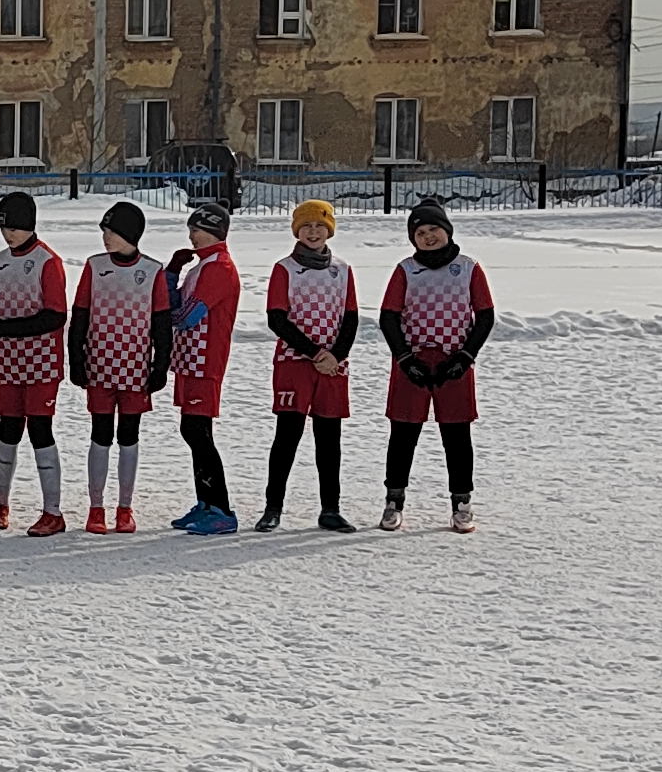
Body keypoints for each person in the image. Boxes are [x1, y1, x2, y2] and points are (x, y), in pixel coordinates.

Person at [378, 200, 496, 533]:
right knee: (403, 434)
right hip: (413, 362)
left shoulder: (468, 268)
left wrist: (465, 357)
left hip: (454, 362)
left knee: (457, 436)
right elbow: (389, 316)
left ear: (447, 231)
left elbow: (485, 316)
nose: (428, 237)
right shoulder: (405, 270)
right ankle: (393, 500)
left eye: (433, 230)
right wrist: (404, 359)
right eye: (420, 233)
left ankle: (462, 503)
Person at [0, 191, 70, 536]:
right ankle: (0, 502)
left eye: (15, 229)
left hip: (41, 363)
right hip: (8, 362)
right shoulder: (1, 262)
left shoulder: (48, 262)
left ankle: (53, 511)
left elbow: (54, 317)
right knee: (7, 429)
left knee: (39, 429)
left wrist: (1, 328)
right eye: (3, 228)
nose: (8, 235)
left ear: (30, 226)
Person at [64, 199, 175, 535]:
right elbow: (80, 315)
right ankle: (96, 507)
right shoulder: (94, 267)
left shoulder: (153, 271)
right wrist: (76, 358)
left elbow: (161, 323)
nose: (105, 237)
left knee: (129, 436)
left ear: (130, 235)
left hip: (134, 369)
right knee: (100, 435)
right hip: (100, 366)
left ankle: (124, 507)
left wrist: (160, 366)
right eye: (103, 231)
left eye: (111, 231)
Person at [260, 200, 360, 533]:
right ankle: (273, 507)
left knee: (329, 439)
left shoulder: (342, 270)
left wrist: (336, 356)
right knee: (287, 436)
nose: (313, 232)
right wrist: (315, 353)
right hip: (296, 362)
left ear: (329, 228)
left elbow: (350, 318)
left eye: (319, 226)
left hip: (333, 366)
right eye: (306, 226)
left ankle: (330, 508)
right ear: (297, 231)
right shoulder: (284, 268)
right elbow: (277, 317)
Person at [163, 203, 243, 536]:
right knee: (191, 430)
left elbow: (185, 315)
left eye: (197, 229)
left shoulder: (219, 267)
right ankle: (206, 502)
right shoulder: (202, 266)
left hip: (205, 360)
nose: (192, 236)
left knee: (198, 431)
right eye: (191, 230)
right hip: (188, 358)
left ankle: (220, 508)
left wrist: (168, 315)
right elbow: (176, 305)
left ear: (214, 231)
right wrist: (171, 274)